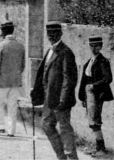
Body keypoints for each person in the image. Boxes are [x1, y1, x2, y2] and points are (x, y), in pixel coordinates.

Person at [31, 21, 79, 160]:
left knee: (64, 128)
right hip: (49, 99)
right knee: (46, 125)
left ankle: (72, 157)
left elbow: (69, 79)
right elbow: (43, 74)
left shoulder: (66, 52)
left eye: (54, 33)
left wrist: (63, 100)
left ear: (60, 34)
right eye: (49, 33)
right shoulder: (49, 51)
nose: (51, 36)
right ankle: (61, 156)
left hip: (60, 100)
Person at [78, 36, 113, 157]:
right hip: (88, 94)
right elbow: (84, 80)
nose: (94, 48)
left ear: (101, 46)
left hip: (97, 94)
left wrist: (94, 86)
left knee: (95, 120)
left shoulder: (103, 61)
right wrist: (83, 97)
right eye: (92, 46)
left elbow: (108, 78)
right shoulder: (89, 62)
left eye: (97, 46)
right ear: (89, 46)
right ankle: (98, 147)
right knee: (91, 120)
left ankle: (101, 149)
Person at [0, 20, 26, 137]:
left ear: (3, 32)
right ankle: (11, 131)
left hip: (1, 81)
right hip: (15, 81)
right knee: (12, 106)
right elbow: (22, 65)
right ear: (12, 31)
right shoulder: (20, 46)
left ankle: (0, 127)